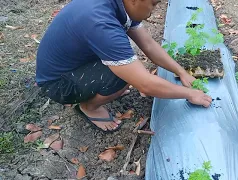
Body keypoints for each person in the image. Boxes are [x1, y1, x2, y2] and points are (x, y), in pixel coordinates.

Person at [35, 0, 212, 133]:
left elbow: (148, 44)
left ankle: (95, 89)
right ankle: (89, 107)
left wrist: (180, 71)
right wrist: (191, 93)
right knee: (122, 77)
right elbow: (145, 84)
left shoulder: (119, 5)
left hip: (74, 65)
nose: (153, 10)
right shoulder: (101, 22)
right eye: (153, 3)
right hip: (58, 83)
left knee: (128, 68)